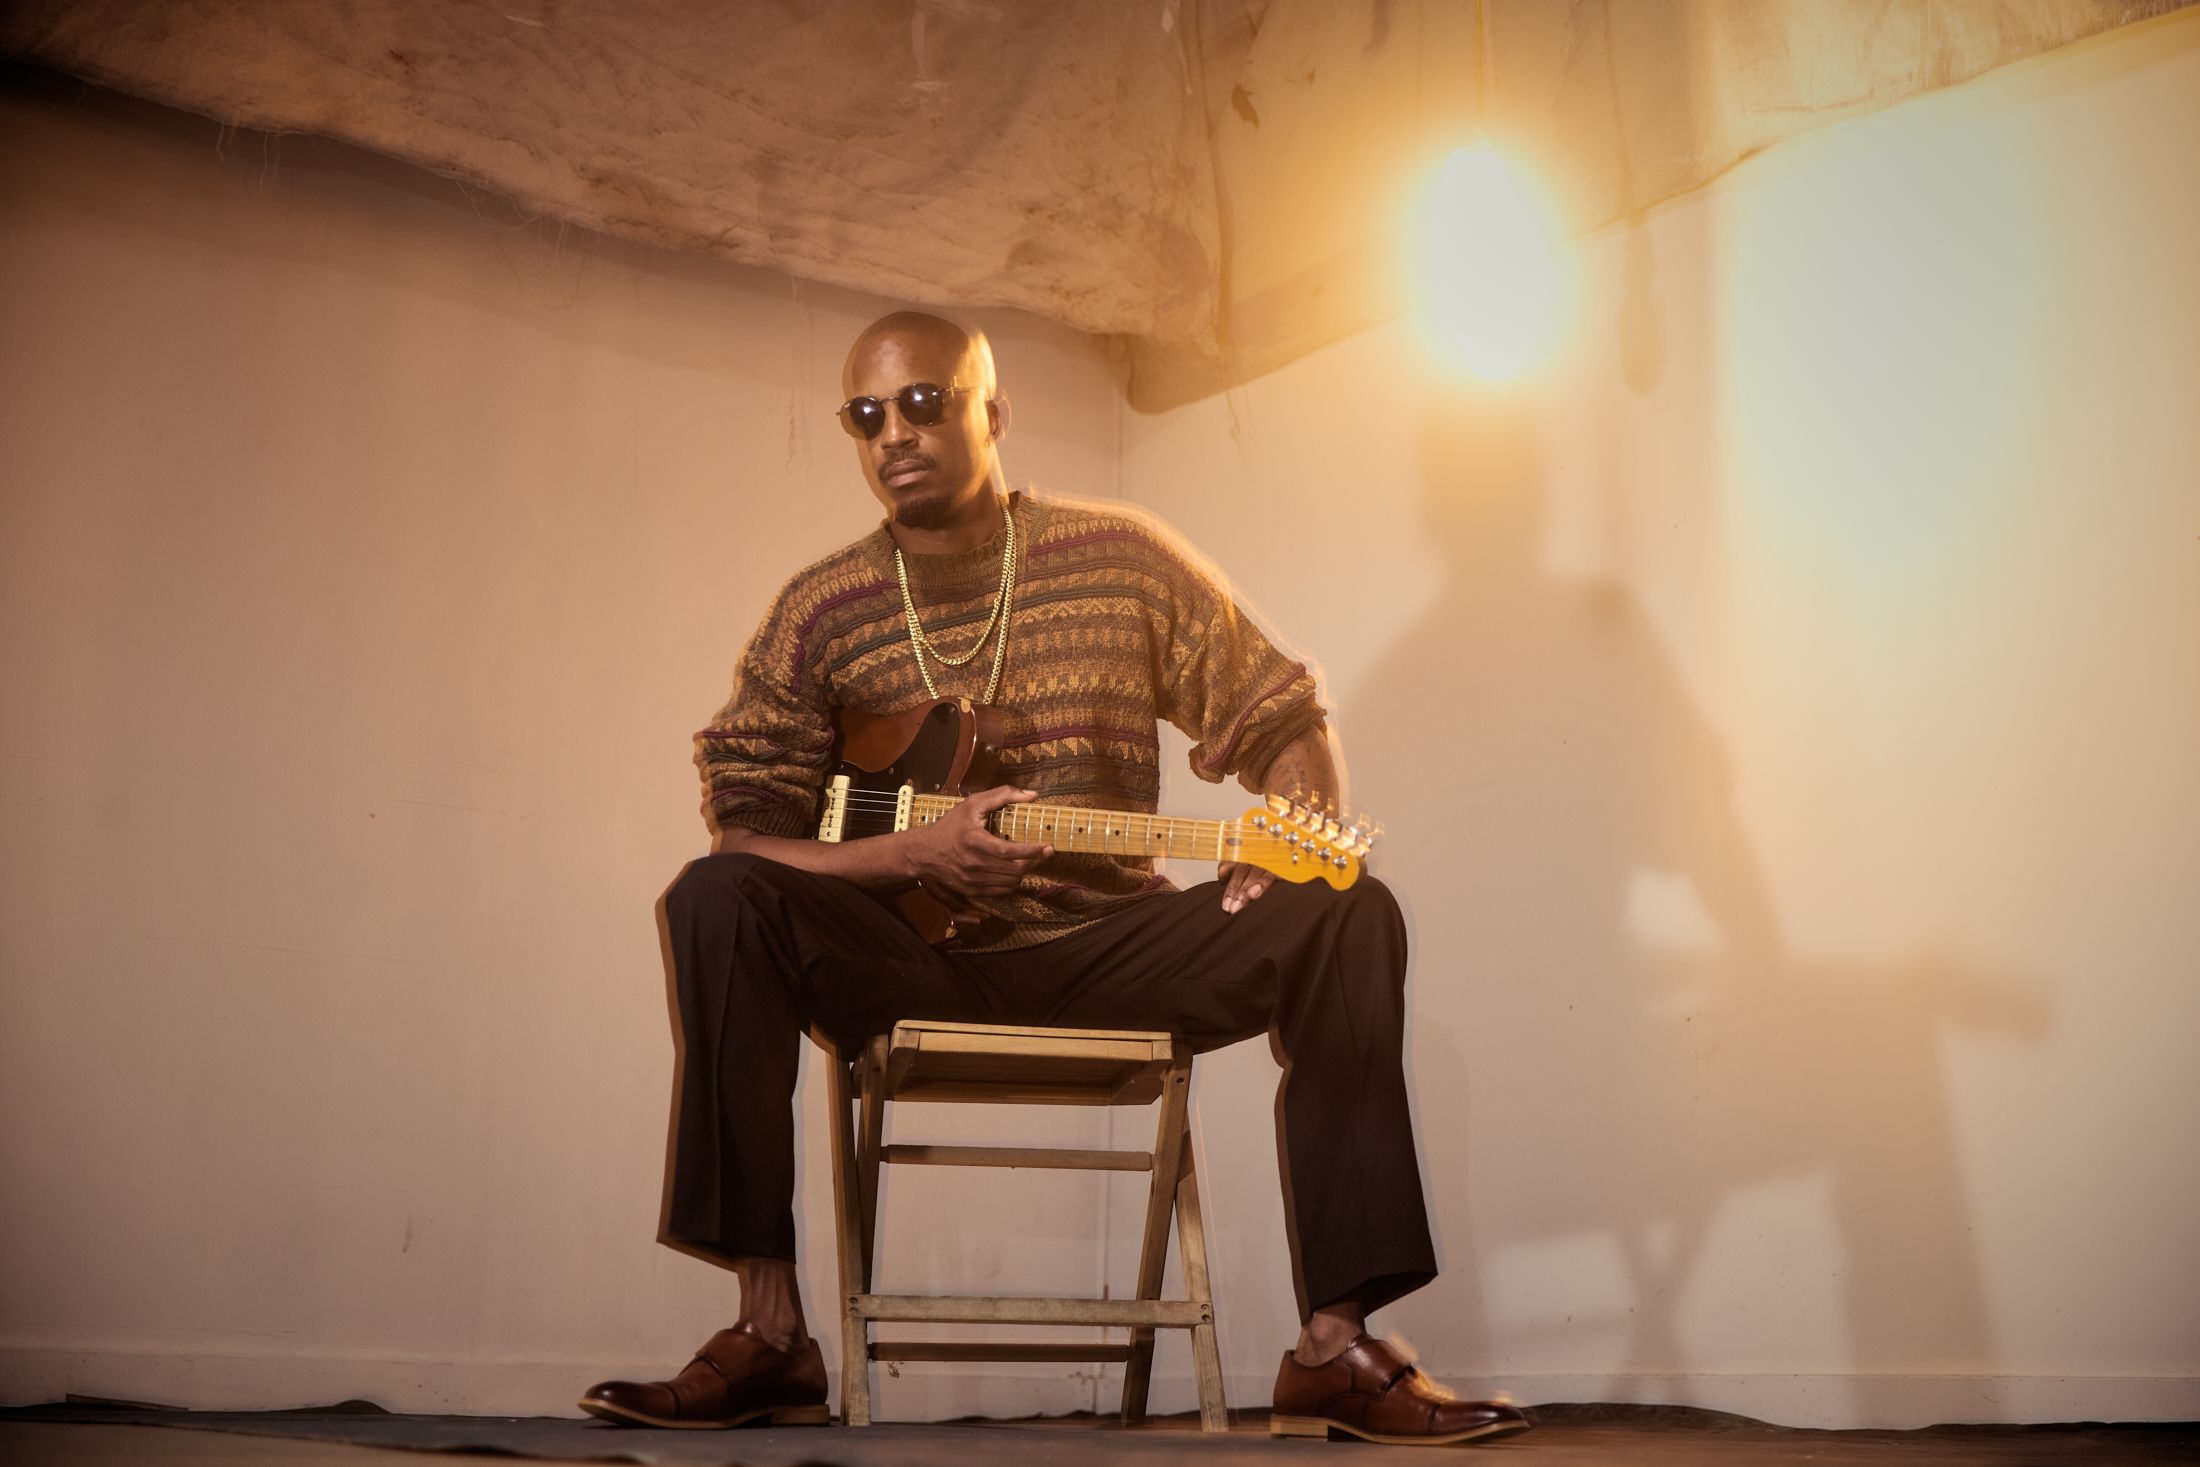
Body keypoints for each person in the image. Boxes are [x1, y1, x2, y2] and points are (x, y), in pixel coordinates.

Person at [578, 312, 1530, 1446]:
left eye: (925, 403)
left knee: (1345, 906)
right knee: (708, 900)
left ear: (993, 412)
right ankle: (770, 1330)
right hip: (911, 962)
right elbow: (747, 845)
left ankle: (1332, 1346)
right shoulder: (821, 610)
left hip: (1107, 952)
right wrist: (908, 858)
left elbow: (1279, 709)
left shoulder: (1119, 559)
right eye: (866, 416)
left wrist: (1296, 819)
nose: (894, 435)